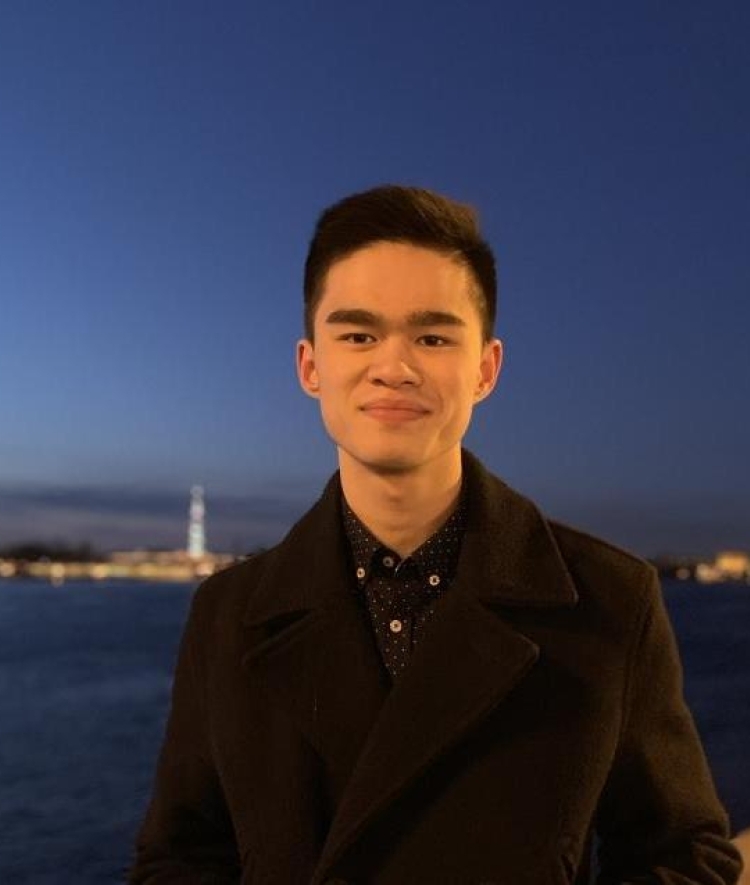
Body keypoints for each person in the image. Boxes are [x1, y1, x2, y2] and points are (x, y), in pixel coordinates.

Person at [129, 185, 742, 884]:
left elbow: (684, 856)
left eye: (433, 336)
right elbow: (179, 858)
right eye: (358, 334)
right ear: (311, 366)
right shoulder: (228, 615)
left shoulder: (609, 601)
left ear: (486, 368)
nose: (393, 366)